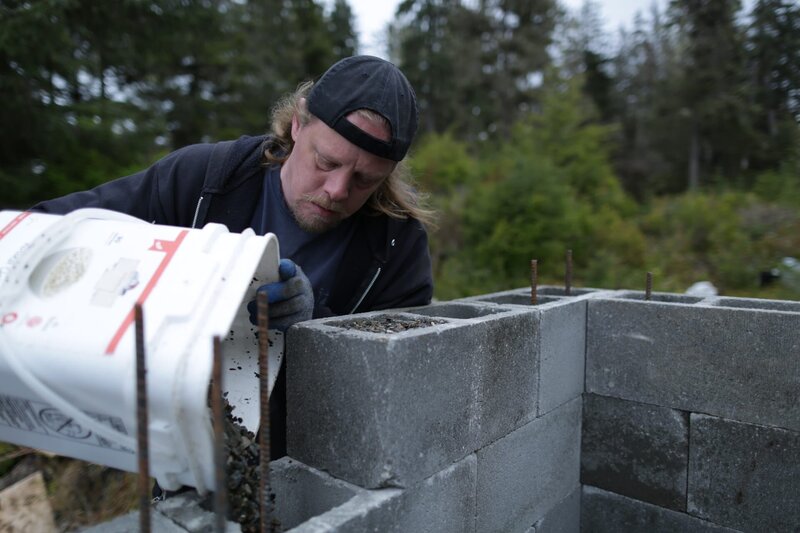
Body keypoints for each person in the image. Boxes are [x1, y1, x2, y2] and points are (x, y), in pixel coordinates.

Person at [31, 55, 435, 459]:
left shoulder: (398, 249)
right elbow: (65, 224)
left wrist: (316, 328)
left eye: (365, 180)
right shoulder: (204, 179)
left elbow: (391, 391)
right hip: (175, 440)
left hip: (308, 463)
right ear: (298, 124)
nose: (337, 189)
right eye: (325, 162)